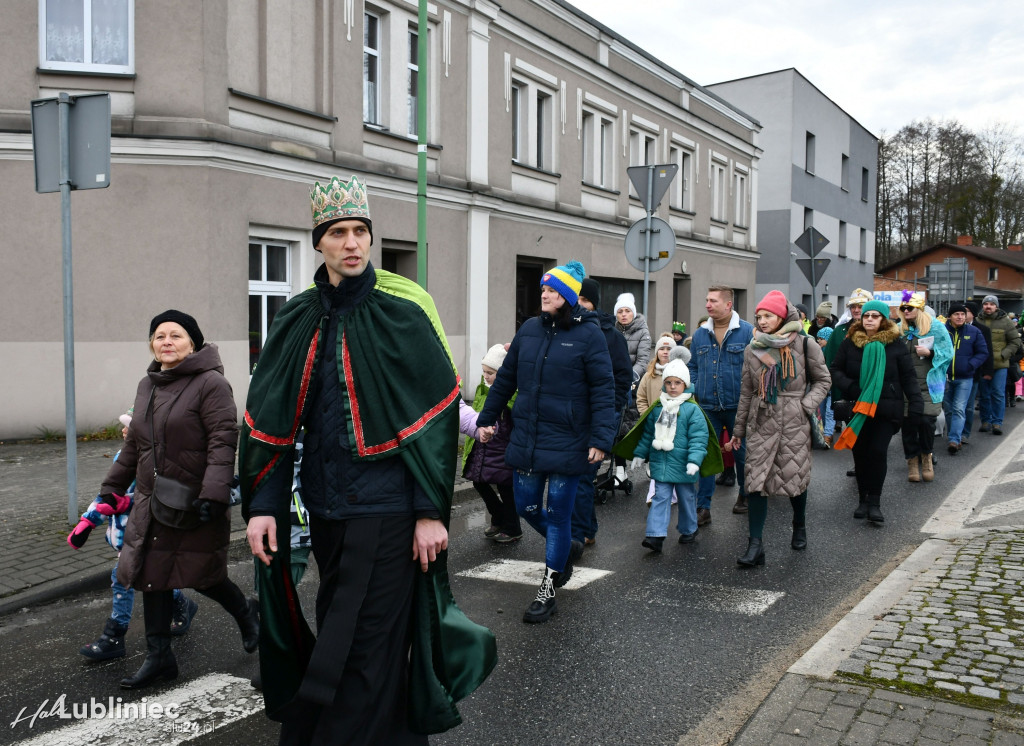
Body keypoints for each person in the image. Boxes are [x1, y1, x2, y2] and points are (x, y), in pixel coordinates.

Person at [242, 176, 496, 742]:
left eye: (361, 231)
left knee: (352, 650)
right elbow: (271, 423)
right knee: (363, 642)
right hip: (327, 511)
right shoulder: (297, 317)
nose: (352, 243)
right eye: (339, 233)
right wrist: (264, 505)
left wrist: (432, 511)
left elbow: (433, 425)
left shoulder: (401, 314)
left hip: (387, 513)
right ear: (319, 242)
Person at [98, 310, 256, 690]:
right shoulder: (147, 384)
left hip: (193, 498)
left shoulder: (210, 384)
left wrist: (215, 493)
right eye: (159, 336)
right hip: (152, 501)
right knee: (151, 576)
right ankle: (160, 658)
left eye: (176, 335)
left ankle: (247, 614)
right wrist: (112, 486)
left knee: (202, 574)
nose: (166, 341)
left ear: (193, 343)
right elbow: (136, 443)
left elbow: (223, 440)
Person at [477, 261, 615, 624]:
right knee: (525, 506)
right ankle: (567, 544)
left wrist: (601, 438)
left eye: (552, 291)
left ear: (567, 296)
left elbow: (604, 389)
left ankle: (548, 590)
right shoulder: (529, 329)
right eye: (543, 290)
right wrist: (485, 420)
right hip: (529, 435)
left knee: (557, 514)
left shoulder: (590, 335)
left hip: (571, 440)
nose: (544, 295)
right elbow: (506, 379)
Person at [70, 407, 198, 661]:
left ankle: (114, 636)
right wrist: (87, 521)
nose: (123, 430)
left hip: (147, 532)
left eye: (128, 426)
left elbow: (154, 497)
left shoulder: (157, 463)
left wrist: (123, 504)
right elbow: (106, 494)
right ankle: (181, 603)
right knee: (148, 577)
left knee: (123, 579)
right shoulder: (123, 457)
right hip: (127, 535)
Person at [730, 291, 830, 566]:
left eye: (768, 316)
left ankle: (799, 524)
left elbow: (823, 381)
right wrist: (738, 430)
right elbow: (747, 392)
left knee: (794, 478)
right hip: (761, 421)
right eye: (759, 317)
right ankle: (755, 545)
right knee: (755, 482)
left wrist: (804, 406)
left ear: (782, 316)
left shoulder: (806, 344)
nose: (762, 322)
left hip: (793, 422)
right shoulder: (752, 349)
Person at [830, 300, 924, 524]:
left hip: (886, 408)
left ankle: (875, 502)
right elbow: (835, 369)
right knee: (860, 455)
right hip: (858, 408)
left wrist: (916, 403)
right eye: (866, 315)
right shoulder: (850, 343)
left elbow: (909, 377)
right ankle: (862, 499)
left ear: (883, 319)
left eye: (875, 315)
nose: (869, 319)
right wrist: (854, 387)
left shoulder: (896, 344)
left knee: (877, 453)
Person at [687, 285, 754, 521]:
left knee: (742, 454)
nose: (707, 304)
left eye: (713, 301)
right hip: (707, 407)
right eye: (706, 300)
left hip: (737, 406)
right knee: (706, 454)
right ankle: (703, 507)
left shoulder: (746, 332)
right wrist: (694, 387)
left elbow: (755, 368)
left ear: (728, 304)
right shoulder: (699, 334)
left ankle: (745, 495)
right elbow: (693, 365)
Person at [573, 277, 632, 548]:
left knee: (585, 475)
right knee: (575, 476)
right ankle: (584, 527)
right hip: (572, 416)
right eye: (577, 300)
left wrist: (612, 409)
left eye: (585, 301)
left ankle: (583, 531)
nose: (580, 306)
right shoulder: (567, 329)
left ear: (594, 304)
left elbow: (622, 377)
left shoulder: (612, 336)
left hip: (599, 415)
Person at [629, 358, 709, 551]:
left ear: (686, 384)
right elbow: (649, 434)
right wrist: (640, 453)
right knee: (660, 497)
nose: (673, 387)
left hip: (683, 465)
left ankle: (689, 529)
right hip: (661, 463)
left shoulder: (692, 410)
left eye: (677, 383)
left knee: (686, 498)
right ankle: (655, 536)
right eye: (668, 382)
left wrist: (694, 461)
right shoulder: (658, 407)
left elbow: (699, 438)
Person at [461, 344, 522, 543]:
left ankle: (512, 526)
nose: (486, 376)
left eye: (491, 373)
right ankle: (499, 517)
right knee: (478, 481)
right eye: (484, 372)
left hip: (503, 448)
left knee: (505, 487)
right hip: (483, 446)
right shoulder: (483, 388)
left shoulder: (513, 392)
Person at [897, 291, 952, 483]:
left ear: (919, 309)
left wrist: (930, 352)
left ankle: (926, 457)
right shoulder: (899, 330)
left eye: (909, 308)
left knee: (927, 423)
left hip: (929, 385)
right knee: (909, 426)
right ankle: (912, 462)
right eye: (903, 308)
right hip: (906, 387)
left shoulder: (936, 328)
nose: (905, 311)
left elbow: (948, 353)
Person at [824, 288, 874, 475]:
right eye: (853, 306)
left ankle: (871, 464)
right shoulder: (840, 332)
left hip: (872, 390)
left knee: (871, 430)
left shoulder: (877, 330)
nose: (856, 310)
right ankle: (859, 463)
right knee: (853, 428)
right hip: (848, 389)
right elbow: (830, 361)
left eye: (860, 306)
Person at [612, 292, 652, 485]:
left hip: (636, 386)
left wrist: (629, 377)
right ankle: (621, 470)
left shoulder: (643, 331)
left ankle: (649, 460)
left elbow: (644, 360)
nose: (624, 314)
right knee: (618, 428)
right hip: (617, 386)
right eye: (620, 311)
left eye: (627, 311)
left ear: (633, 313)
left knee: (638, 427)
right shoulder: (612, 331)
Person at [943, 304, 989, 455]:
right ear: (950, 316)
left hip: (965, 378)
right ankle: (953, 436)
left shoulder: (974, 332)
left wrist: (971, 365)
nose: (960, 317)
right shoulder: (942, 331)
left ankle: (954, 440)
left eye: (962, 314)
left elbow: (983, 352)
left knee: (959, 408)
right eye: (956, 314)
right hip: (945, 377)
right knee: (949, 410)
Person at [977, 295, 1022, 435]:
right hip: (983, 365)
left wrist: (1004, 355)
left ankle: (997, 422)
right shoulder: (977, 320)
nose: (988, 306)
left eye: (991, 304)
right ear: (983, 306)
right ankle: (985, 421)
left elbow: (1015, 341)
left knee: (998, 394)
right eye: (986, 304)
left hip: (1000, 365)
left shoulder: (1005, 322)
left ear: (996, 306)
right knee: (984, 395)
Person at [960, 301, 993, 445]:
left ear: (972, 313)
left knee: (968, 405)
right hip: (955, 374)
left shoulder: (982, 329)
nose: (962, 315)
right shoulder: (952, 328)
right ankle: (955, 433)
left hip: (973, 373)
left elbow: (986, 352)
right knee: (954, 407)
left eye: (965, 311)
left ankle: (964, 433)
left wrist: (987, 371)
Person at [815, 327, 836, 447]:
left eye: (821, 338)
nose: (819, 341)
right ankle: (827, 432)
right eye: (818, 338)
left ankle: (827, 435)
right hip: (822, 386)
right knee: (822, 411)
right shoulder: (818, 352)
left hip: (832, 386)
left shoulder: (835, 352)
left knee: (829, 411)